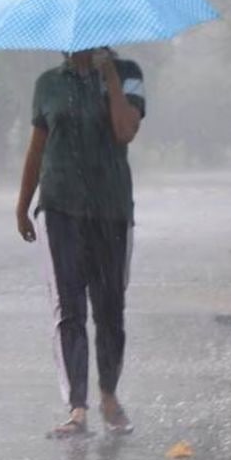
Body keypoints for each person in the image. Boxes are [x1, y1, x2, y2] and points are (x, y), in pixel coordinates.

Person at [15, 45, 145, 438]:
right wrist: (23, 204)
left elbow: (125, 130)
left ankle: (109, 397)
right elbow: (38, 147)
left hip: (110, 209)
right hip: (60, 208)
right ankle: (77, 408)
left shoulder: (129, 73)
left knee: (109, 309)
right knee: (68, 310)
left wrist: (110, 79)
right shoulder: (49, 84)